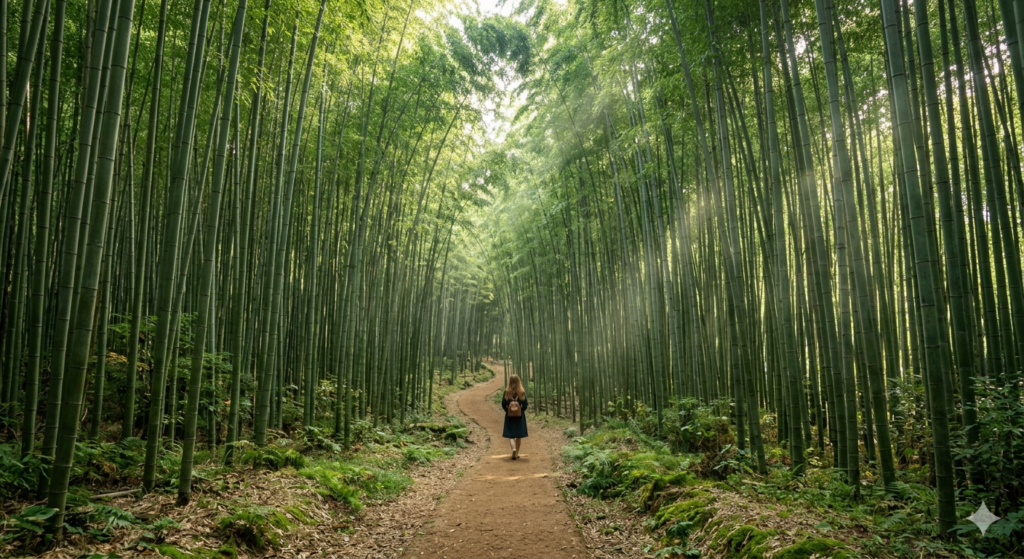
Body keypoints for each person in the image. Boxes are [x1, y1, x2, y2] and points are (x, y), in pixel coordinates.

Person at [501, 374, 529, 460]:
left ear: (509, 381)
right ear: (518, 381)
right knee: (518, 435)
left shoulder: (507, 392)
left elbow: (503, 404)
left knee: (511, 435)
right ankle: (516, 453)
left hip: (510, 417)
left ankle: (513, 449)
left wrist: (508, 411)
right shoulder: (522, 392)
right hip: (519, 417)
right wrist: (520, 411)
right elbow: (525, 404)